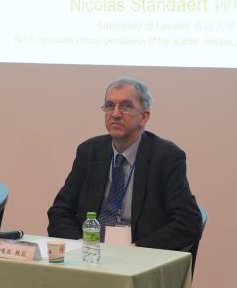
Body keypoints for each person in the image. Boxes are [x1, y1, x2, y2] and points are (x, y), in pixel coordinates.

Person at [47, 77, 202, 252]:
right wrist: (83, 247)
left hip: (138, 256)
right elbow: (59, 212)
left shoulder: (166, 157)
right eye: (110, 105)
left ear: (144, 117)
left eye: (126, 106)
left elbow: (188, 222)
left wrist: (136, 250)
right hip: (89, 255)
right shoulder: (89, 152)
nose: (115, 113)